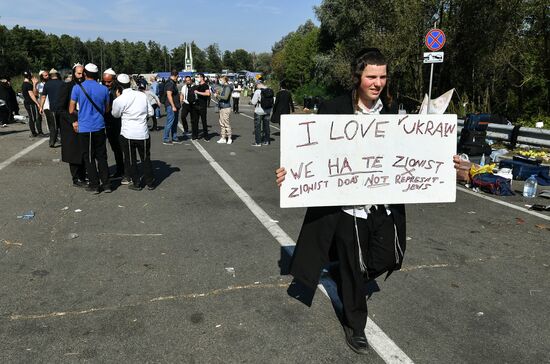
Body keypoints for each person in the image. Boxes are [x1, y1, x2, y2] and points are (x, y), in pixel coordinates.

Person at [275, 49, 406, 355]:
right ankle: (355, 324)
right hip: (348, 207)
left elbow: (412, 150)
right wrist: (290, 173)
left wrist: (443, 160)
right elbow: (312, 152)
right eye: (371, 76)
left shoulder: (393, 112)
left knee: (386, 258)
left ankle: (346, 276)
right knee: (353, 268)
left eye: (383, 77)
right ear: (357, 77)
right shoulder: (334, 109)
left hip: (383, 204)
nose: (378, 83)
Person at [69, 63, 111, 194]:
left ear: (85, 74)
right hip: (99, 126)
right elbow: (107, 109)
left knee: (89, 157)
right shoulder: (103, 89)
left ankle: (94, 184)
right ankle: (107, 184)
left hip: (85, 127)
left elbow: (71, 109)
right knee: (102, 156)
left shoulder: (77, 88)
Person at [112, 74, 155, 191]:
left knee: (130, 159)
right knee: (145, 158)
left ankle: (136, 183)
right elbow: (151, 112)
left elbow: (115, 114)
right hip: (143, 132)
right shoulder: (142, 95)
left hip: (128, 133)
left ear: (118, 87)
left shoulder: (119, 100)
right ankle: (150, 182)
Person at [58, 64, 86, 187]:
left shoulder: (86, 86)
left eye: (82, 73)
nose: (80, 76)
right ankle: (76, 178)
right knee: (74, 152)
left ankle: (83, 175)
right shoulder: (67, 87)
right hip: (70, 125)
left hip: (85, 123)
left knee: (84, 150)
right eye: (78, 73)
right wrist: (73, 121)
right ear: (74, 73)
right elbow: (60, 108)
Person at [102, 68, 125, 178]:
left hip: (119, 123)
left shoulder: (120, 90)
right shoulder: (102, 89)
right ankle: (119, 169)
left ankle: (123, 170)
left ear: (114, 80)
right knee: (113, 148)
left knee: (120, 148)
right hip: (107, 122)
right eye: (104, 81)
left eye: (109, 81)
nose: (106, 84)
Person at [39, 68, 64, 147]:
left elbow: (43, 97)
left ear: (50, 76)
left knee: (53, 126)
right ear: (57, 74)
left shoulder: (47, 84)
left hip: (52, 108)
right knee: (62, 125)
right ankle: (64, 141)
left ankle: (52, 142)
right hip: (61, 107)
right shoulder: (62, 83)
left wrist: (40, 107)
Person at [21, 71, 45, 137]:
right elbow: (32, 95)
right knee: (35, 118)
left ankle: (34, 132)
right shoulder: (28, 85)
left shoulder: (24, 84)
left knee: (33, 117)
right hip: (31, 103)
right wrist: (37, 103)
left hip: (28, 103)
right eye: (31, 76)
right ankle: (37, 132)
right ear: (29, 76)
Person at [250, 78, 273, 146]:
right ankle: (266, 141)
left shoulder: (257, 91)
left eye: (256, 84)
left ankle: (258, 142)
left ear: (259, 84)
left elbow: (254, 102)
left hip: (259, 111)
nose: (256, 86)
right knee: (266, 126)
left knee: (257, 127)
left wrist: (250, 102)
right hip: (268, 110)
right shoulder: (270, 90)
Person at [162, 70, 182, 145]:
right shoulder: (170, 83)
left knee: (174, 122)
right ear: (176, 75)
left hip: (175, 105)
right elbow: (169, 95)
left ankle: (174, 137)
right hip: (171, 106)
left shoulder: (172, 82)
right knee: (170, 122)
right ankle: (166, 138)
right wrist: (173, 106)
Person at [214, 76, 233, 144]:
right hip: (221, 107)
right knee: (222, 123)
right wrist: (217, 95)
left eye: (221, 80)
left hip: (226, 107)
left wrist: (217, 95)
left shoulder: (228, 87)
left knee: (226, 123)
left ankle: (229, 138)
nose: (220, 81)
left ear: (225, 80)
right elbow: (220, 99)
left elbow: (225, 97)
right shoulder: (223, 87)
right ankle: (223, 138)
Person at [194, 73, 211, 141]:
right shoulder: (197, 85)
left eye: (198, 77)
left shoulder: (205, 85)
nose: (197, 78)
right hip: (196, 105)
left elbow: (207, 93)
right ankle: (195, 135)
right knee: (195, 121)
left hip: (202, 105)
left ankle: (206, 136)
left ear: (202, 78)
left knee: (204, 121)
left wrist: (198, 92)